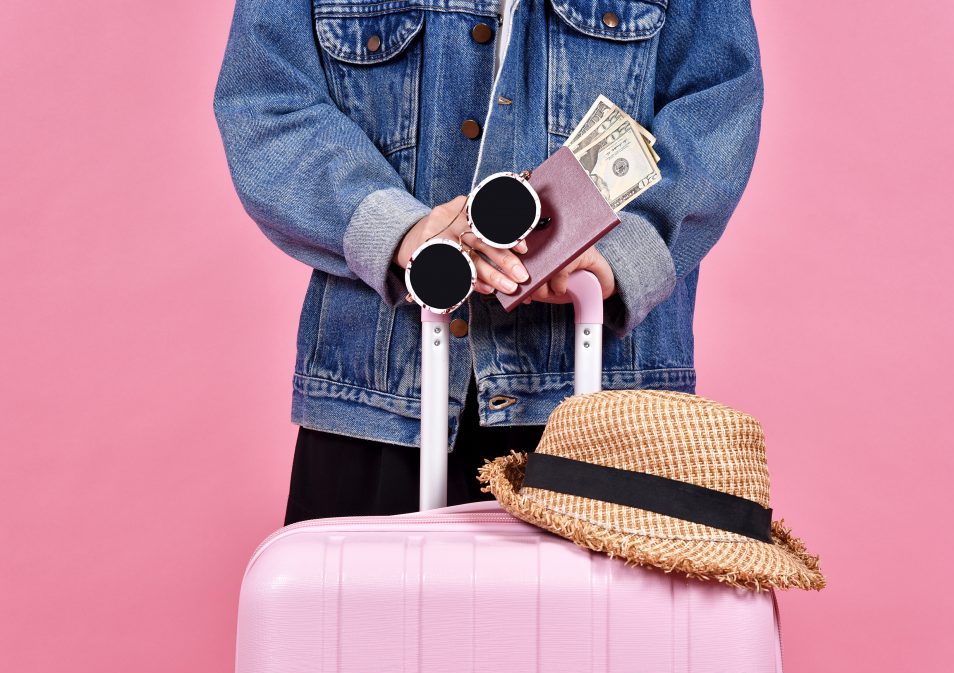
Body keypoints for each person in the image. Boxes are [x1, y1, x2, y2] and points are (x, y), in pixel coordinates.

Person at [213, 0, 763, 524]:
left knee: (599, 624)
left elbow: (719, 101)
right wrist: (400, 229)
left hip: (605, 389)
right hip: (380, 396)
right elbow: (265, 96)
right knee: (370, 619)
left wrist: (621, 254)